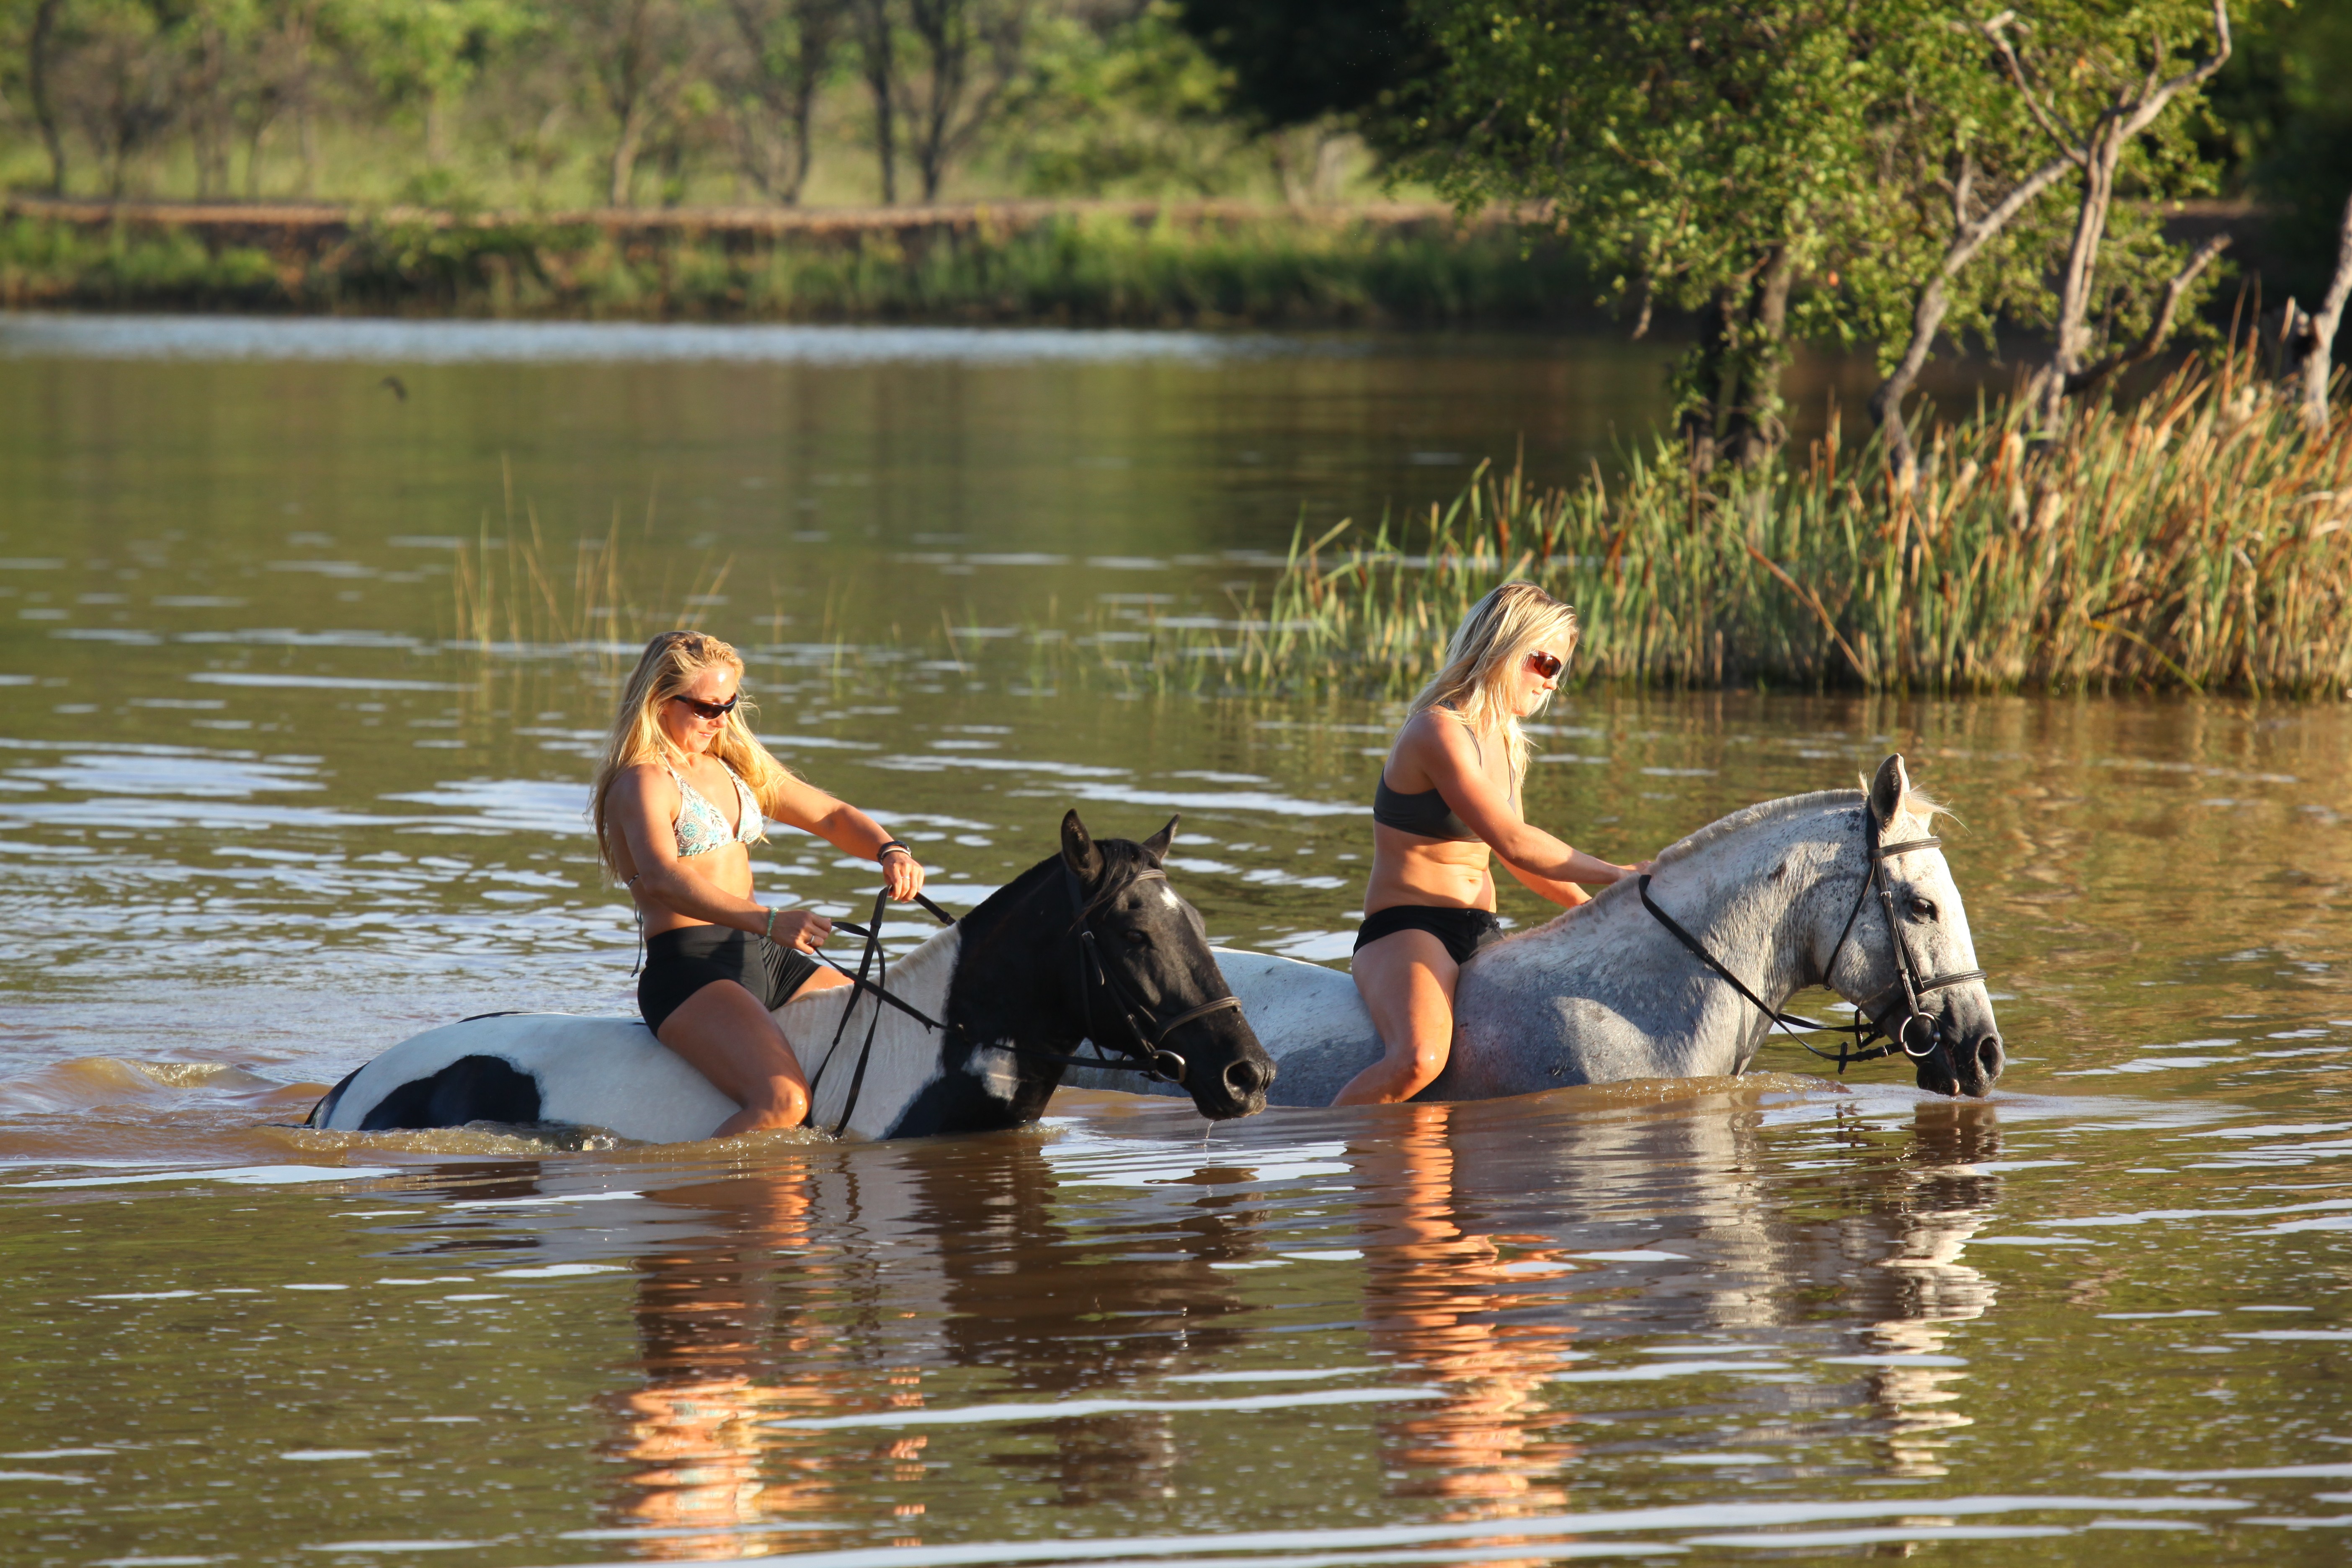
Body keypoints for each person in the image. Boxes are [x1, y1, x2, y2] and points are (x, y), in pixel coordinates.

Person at [591, 630, 926, 1134]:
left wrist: (891, 850)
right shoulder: (644, 781)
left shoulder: (733, 766)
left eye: (729, 704)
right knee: (784, 1103)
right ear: (660, 700)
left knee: (901, 1028)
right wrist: (770, 921)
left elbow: (831, 816)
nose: (721, 720)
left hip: (766, 958)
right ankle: (688, 1180)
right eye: (707, 708)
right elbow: (662, 879)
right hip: (690, 970)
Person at [1341, 582, 1647, 1106]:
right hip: (1410, 928)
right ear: (1508, 648)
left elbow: (1513, 859)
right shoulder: (1438, 730)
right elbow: (1516, 840)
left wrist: (1595, 911)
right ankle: (1308, 1141)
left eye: (1561, 670)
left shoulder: (1504, 739)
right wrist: (1620, 875)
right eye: (1547, 664)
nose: (1553, 682)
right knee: (1420, 1059)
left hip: (1480, 931)